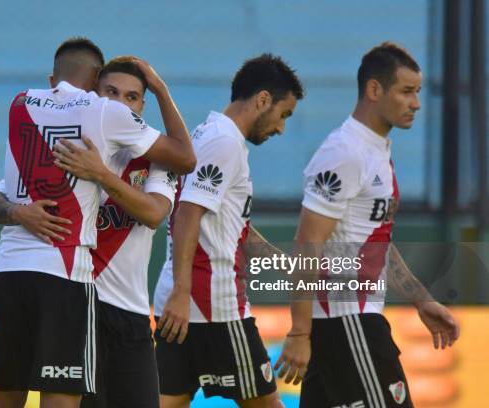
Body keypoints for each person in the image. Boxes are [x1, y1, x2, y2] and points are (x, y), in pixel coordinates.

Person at [0, 37, 194, 408]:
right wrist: (17, 212)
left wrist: (104, 176)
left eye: (132, 97)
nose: (120, 103)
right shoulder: (74, 140)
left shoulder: (152, 162)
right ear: (94, 91)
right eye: (110, 91)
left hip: (126, 312)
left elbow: (156, 214)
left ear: (142, 105)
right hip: (78, 296)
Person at [275, 42, 460, 408]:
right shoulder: (345, 152)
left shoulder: (376, 149)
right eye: (406, 92)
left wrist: (421, 299)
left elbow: (370, 241)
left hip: (348, 325)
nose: (416, 104)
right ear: (374, 90)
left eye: (418, 93)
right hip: (349, 323)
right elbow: (307, 241)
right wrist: (299, 331)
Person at [152, 54, 304, 408]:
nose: (281, 128)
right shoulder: (224, 143)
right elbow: (188, 214)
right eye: (284, 114)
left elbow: (226, 223)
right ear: (263, 99)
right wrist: (182, 290)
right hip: (214, 306)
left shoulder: (208, 134)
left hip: (185, 304)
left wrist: (278, 260)